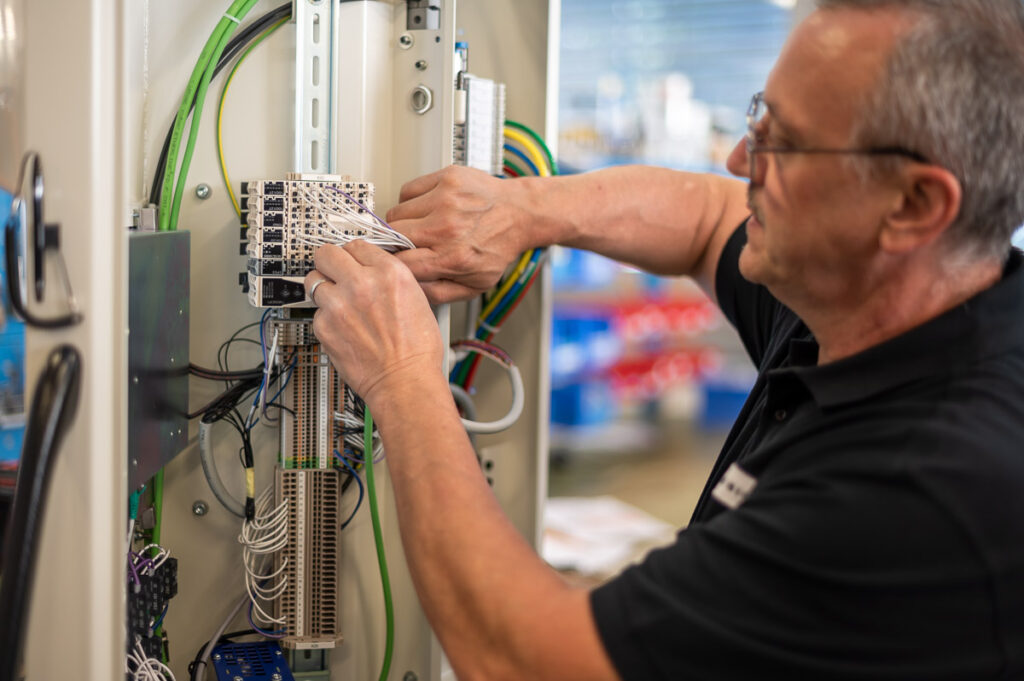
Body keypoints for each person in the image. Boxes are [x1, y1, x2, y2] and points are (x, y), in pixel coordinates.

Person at [304, 0, 1024, 678]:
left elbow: (523, 660)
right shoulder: (882, 293)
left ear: (914, 204)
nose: (742, 159)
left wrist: (402, 377)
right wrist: (524, 209)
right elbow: (709, 217)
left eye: (787, 143)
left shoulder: (921, 490)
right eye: (758, 119)